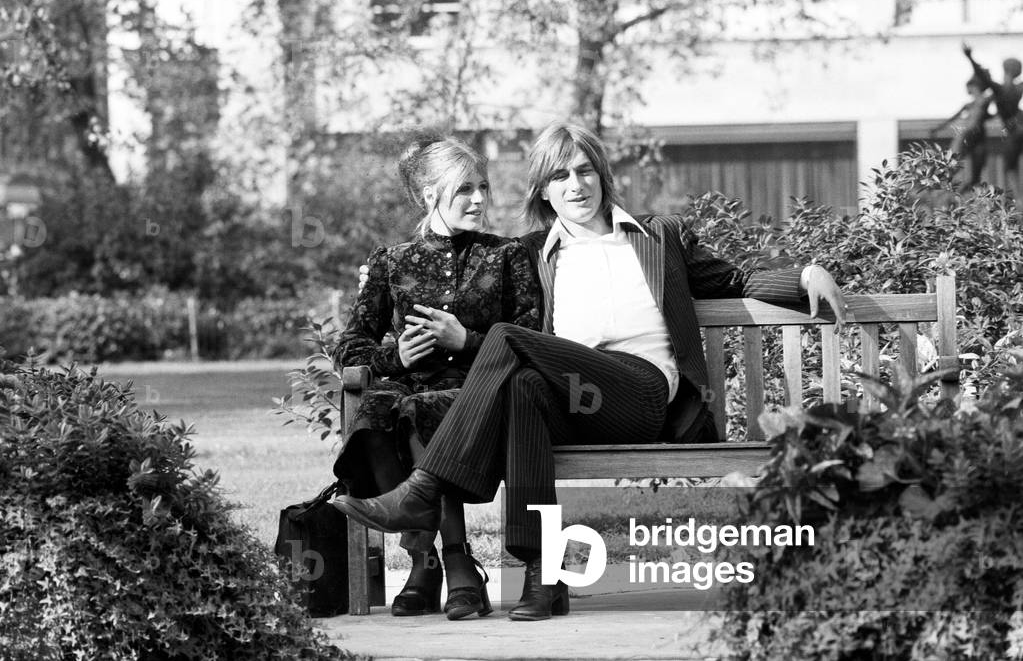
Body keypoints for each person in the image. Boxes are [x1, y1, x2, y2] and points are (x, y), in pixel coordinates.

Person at [332, 121, 847, 621]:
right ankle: (542, 573)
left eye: (584, 172)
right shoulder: (533, 253)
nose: (575, 186)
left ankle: (423, 490)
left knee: (507, 341)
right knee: (525, 389)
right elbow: (463, 271)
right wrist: (377, 280)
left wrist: (805, 273)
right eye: (560, 177)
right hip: (570, 399)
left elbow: (734, 278)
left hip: (641, 395)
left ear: (602, 176)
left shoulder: (657, 237)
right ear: (544, 192)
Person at [332, 134, 539, 620]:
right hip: (408, 385)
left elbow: (532, 337)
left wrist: (466, 340)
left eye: (483, 187)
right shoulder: (392, 261)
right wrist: (396, 356)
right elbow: (350, 345)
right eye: (465, 188)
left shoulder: (506, 256)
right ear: (430, 194)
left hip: (479, 393)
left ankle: (451, 563)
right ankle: (429, 564)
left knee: (421, 412)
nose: (479, 199)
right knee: (384, 409)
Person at [962, 41, 1023, 184]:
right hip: (1019, 128)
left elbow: (982, 77)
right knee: (1011, 167)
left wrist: (970, 57)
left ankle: (1020, 202)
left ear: (1006, 70)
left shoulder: (1000, 90)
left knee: (1010, 168)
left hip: (1014, 132)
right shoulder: (1019, 89)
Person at [930, 75, 992, 188]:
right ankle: (941, 180)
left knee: (976, 168)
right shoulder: (971, 105)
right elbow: (953, 118)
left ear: (974, 87)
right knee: (955, 161)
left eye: (968, 87)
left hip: (976, 137)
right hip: (968, 135)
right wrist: (938, 128)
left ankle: (965, 185)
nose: (967, 90)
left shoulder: (984, 101)